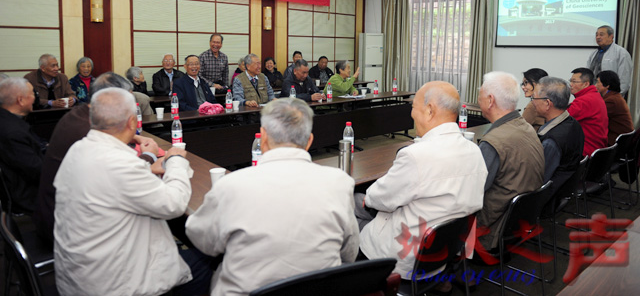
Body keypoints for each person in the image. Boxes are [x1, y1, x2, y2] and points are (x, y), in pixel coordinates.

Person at [186, 98, 359, 296]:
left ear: (263, 138)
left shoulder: (231, 185)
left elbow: (203, 241)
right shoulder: (339, 182)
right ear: (309, 141)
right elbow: (349, 252)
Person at [54, 87, 211, 295]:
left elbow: (112, 182)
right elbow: (174, 204)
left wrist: (144, 164)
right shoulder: (120, 163)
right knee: (209, 259)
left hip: (80, 271)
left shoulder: (78, 149)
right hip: (114, 281)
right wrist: (175, 160)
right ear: (131, 122)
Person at [356, 81, 487, 282]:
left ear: (429, 110)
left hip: (404, 258)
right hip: (442, 253)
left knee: (350, 206)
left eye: (413, 107)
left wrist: (370, 198)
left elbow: (378, 199)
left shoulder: (416, 155)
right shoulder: (475, 151)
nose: (411, 114)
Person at [34, 72, 135, 243]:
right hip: (67, 226)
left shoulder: (80, 114)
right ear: (111, 100)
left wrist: (134, 137)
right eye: (129, 100)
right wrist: (147, 158)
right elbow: (121, 176)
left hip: (60, 210)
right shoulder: (87, 130)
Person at [477, 71, 544, 251]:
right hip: (519, 222)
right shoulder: (527, 128)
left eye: (479, 95)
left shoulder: (493, 142)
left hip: (493, 229)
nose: (478, 100)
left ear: (490, 100)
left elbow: (473, 191)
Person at [531, 77, 584, 189]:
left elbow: (537, 181)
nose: (532, 102)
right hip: (565, 186)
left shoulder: (551, 142)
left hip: (548, 194)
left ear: (547, 103)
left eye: (534, 98)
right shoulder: (572, 123)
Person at [0, 77, 43, 214]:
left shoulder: (8, 120)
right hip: (27, 196)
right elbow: (38, 170)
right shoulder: (13, 132)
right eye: (32, 93)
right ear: (21, 100)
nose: (35, 98)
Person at [567, 67, 608, 157]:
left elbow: (560, 118)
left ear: (586, 84)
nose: (570, 84)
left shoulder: (584, 100)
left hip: (586, 151)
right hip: (597, 149)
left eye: (574, 82)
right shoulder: (594, 95)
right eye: (570, 81)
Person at [587, 25, 633, 96]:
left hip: (611, 96)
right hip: (594, 94)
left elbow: (624, 79)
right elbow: (588, 73)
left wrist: (616, 95)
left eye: (601, 35)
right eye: (597, 35)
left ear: (611, 36)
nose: (598, 37)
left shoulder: (621, 53)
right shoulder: (594, 53)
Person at [596, 70, 634, 146]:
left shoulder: (611, 101)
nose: (595, 85)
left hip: (618, 141)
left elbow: (596, 117)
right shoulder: (614, 96)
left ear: (607, 85)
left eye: (598, 82)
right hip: (623, 138)